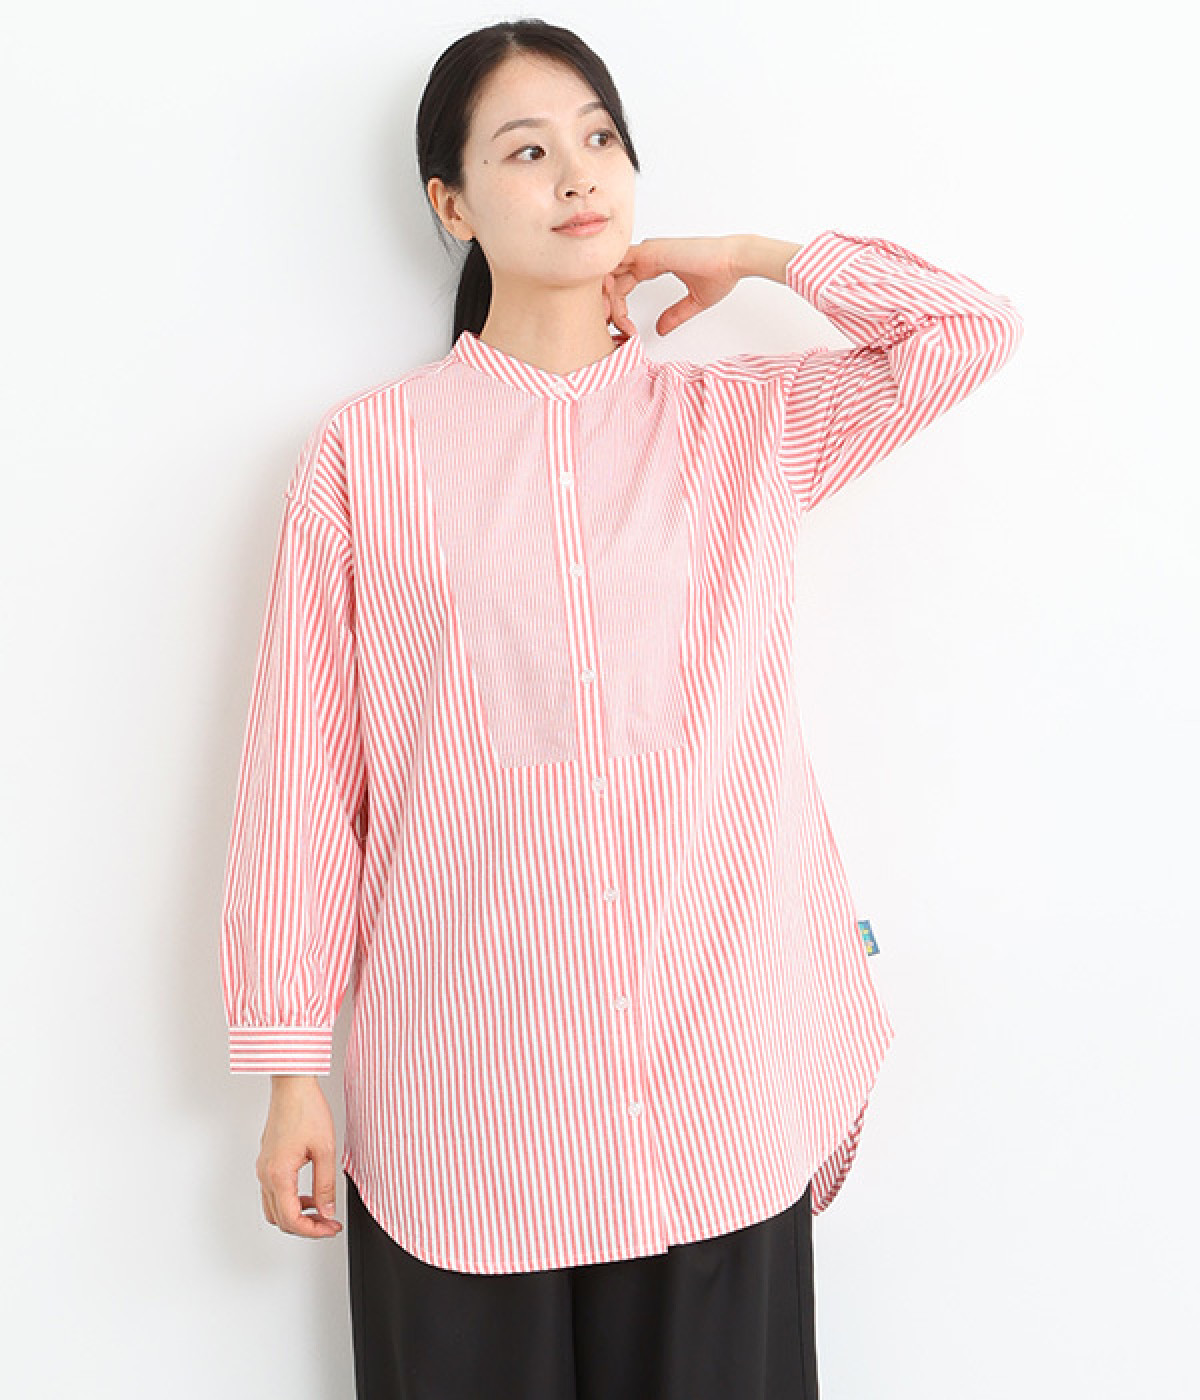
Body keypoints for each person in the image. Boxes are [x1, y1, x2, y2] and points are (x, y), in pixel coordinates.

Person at [219, 17, 1024, 1399]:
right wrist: (292, 1061)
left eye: (601, 138)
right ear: (453, 206)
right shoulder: (368, 457)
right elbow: (304, 771)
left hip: (713, 1086)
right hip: (471, 1107)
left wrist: (760, 255)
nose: (579, 173)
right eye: (526, 151)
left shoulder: (743, 429)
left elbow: (971, 332)